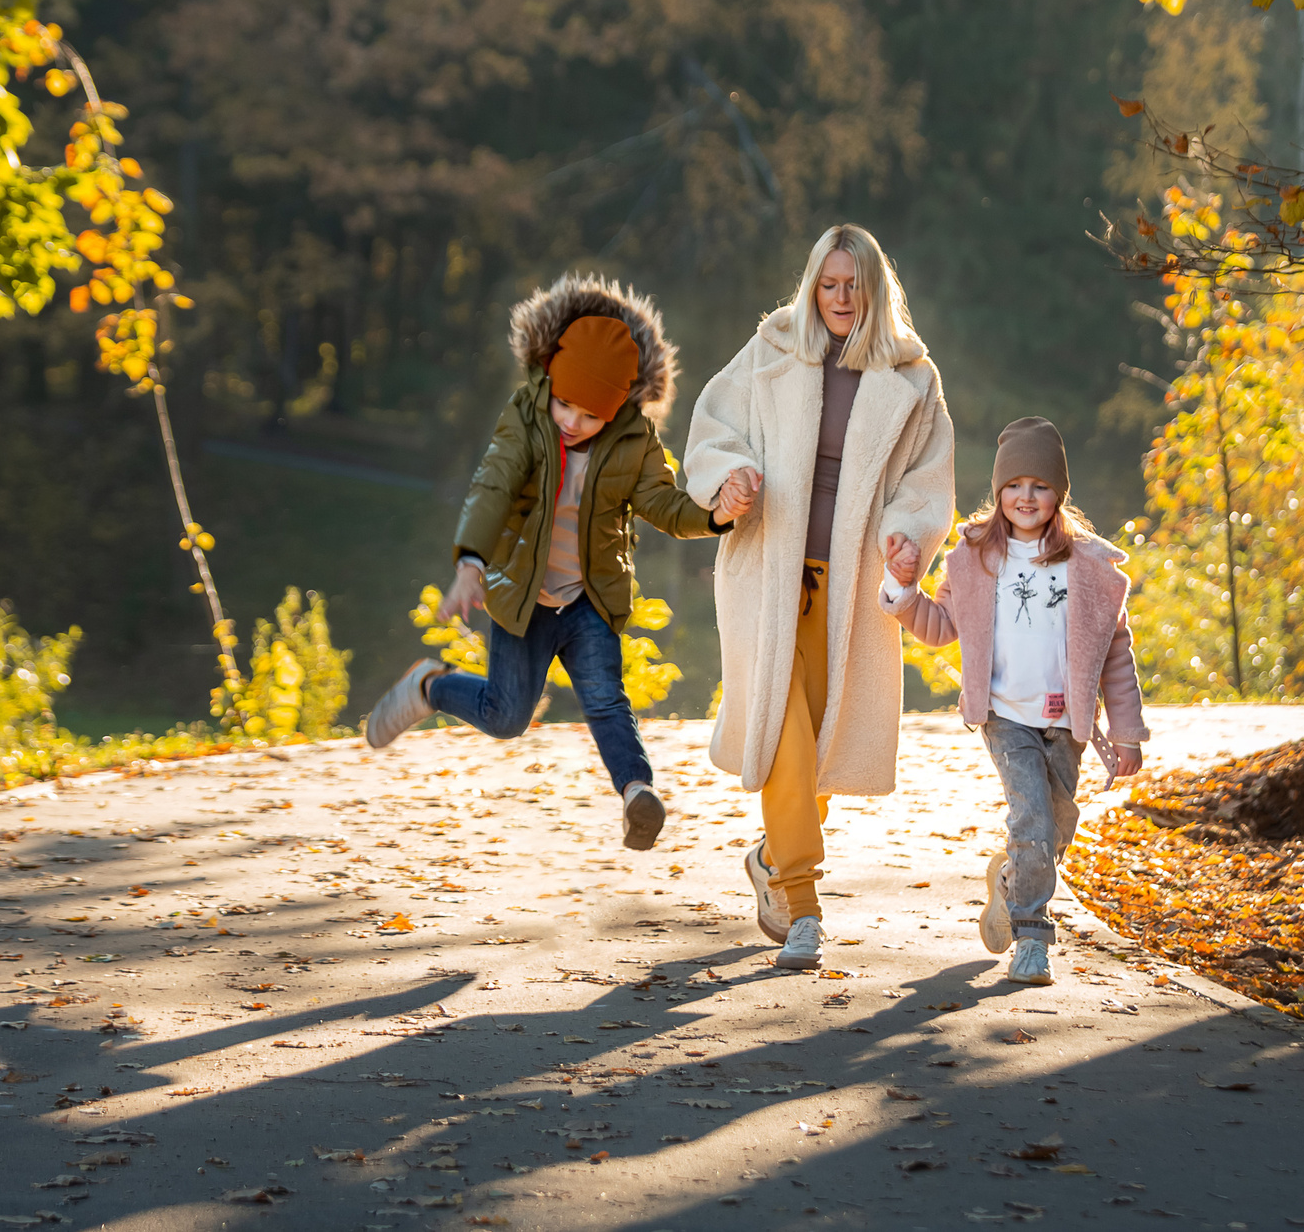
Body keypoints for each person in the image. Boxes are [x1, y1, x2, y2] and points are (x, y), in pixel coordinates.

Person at [362, 275, 741, 851]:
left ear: (617, 409)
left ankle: (637, 791)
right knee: (506, 715)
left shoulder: (635, 440)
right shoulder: (529, 414)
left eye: (589, 415)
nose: (571, 420)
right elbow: (493, 486)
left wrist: (715, 516)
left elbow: (662, 504)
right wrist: (470, 563)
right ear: (551, 383)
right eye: (565, 403)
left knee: (607, 699)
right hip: (524, 597)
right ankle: (431, 686)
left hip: (588, 598)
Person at [684, 225, 954, 970]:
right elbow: (713, 431)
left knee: (826, 739)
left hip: (855, 585)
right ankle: (801, 900)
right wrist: (731, 477)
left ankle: (773, 853)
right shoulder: (773, 352)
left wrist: (906, 536)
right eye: (828, 284)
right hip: (769, 574)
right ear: (812, 288)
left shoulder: (914, 379)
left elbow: (926, 483)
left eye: (852, 284)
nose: (840, 297)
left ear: (874, 289)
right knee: (785, 730)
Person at [881, 416, 1146, 985]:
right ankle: (1033, 935)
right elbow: (940, 625)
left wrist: (1126, 731)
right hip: (1006, 717)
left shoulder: (1089, 568)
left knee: (1056, 828)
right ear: (998, 491)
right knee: (1031, 822)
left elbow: (1115, 655)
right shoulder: (977, 558)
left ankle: (1010, 883)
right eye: (1014, 485)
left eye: (1041, 485)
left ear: (1060, 494)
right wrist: (905, 592)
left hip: (1067, 723)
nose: (1026, 497)